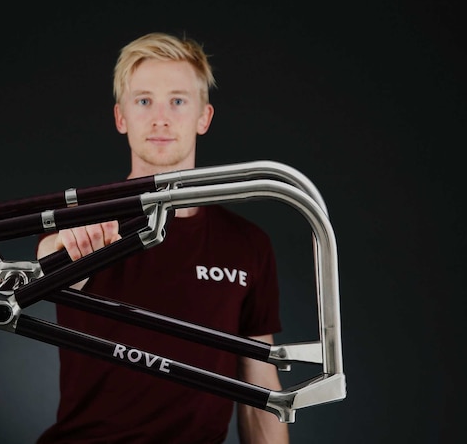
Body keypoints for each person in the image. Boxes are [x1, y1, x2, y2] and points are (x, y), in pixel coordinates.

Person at [36, 32, 288, 443]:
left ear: (203, 117)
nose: (160, 118)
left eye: (177, 100)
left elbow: (259, 386)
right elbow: (50, 267)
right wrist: (61, 247)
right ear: (121, 118)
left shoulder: (248, 244)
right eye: (143, 101)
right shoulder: (88, 224)